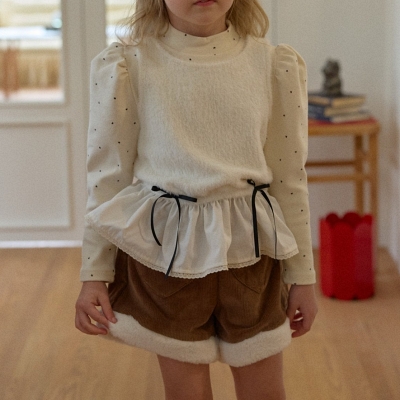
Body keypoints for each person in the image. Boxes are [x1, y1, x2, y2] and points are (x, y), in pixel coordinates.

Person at [75, 0, 318, 399]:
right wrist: (93, 273)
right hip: (165, 260)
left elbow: (290, 179)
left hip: (253, 258)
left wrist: (303, 277)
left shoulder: (273, 65)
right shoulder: (128, 65)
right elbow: (107, 180)